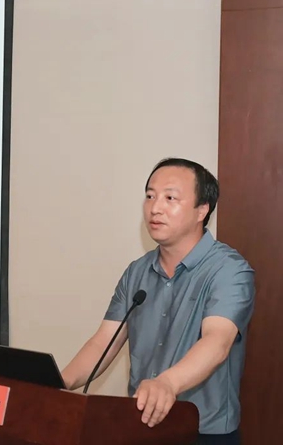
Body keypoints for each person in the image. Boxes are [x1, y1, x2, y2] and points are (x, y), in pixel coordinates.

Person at [61, 158, 255, 445]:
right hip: (141, 428)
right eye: (150, 196)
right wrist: (58, 384)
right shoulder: (136, 272)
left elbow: (217, 342)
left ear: (202, 209)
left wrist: (167, 383)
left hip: (203, 434)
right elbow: (103, 342)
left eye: (170, 198)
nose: (155, 208)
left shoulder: (229, 270)